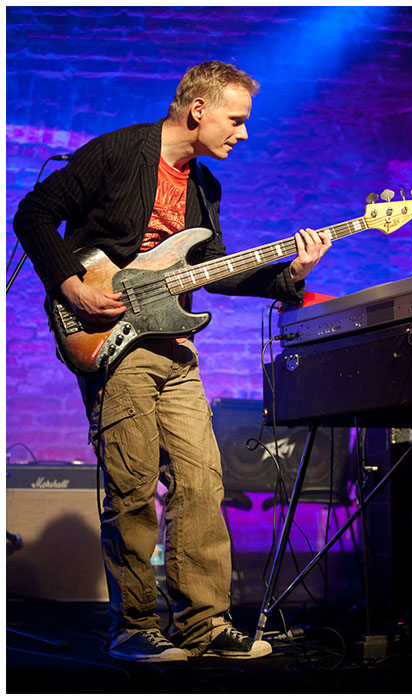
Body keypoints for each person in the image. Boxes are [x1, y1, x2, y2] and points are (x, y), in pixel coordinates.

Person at [13, 61, 332, 662]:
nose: (243, 133)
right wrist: (72, 287)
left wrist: (290, 274)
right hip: (112, 339)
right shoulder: (118, 152)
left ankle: (204, 625)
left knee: (202, 481)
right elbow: (32, 214)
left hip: (175, 346)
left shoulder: (205, 187)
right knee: (133, 487)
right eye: (235, 120)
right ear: (197, 109)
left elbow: (214, 272)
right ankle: (134, 627)